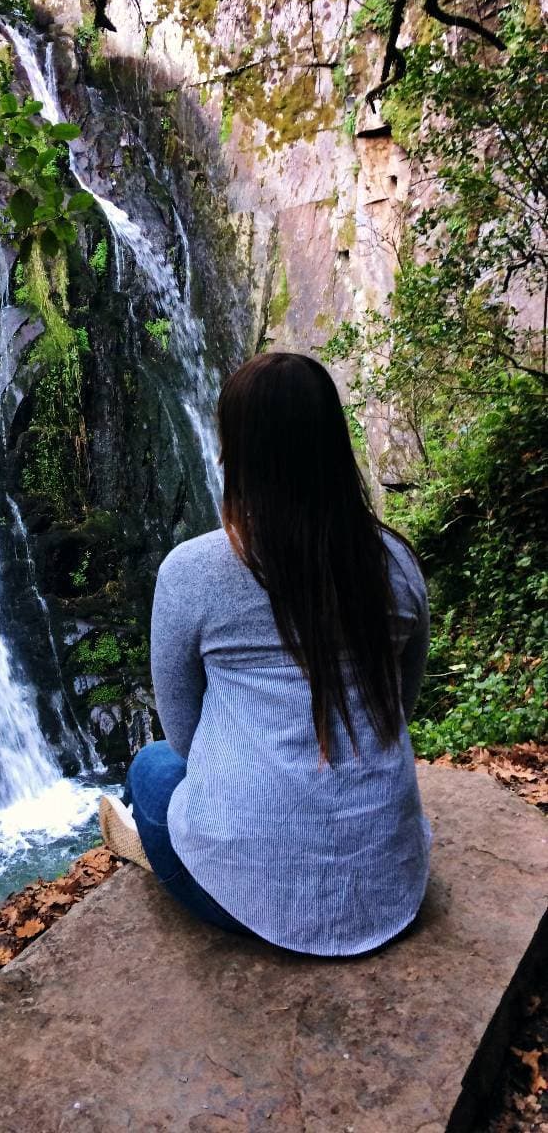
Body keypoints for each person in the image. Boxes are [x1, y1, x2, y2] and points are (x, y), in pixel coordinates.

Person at [99, 351, 432, 956]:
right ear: (335, 445)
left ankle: (169, 855)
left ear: (235, 452)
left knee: (152, 767)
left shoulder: (193, 571)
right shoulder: (397, 563)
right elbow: (397, 709)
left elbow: (183, 734)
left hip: (260, 895)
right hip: (390, 883)